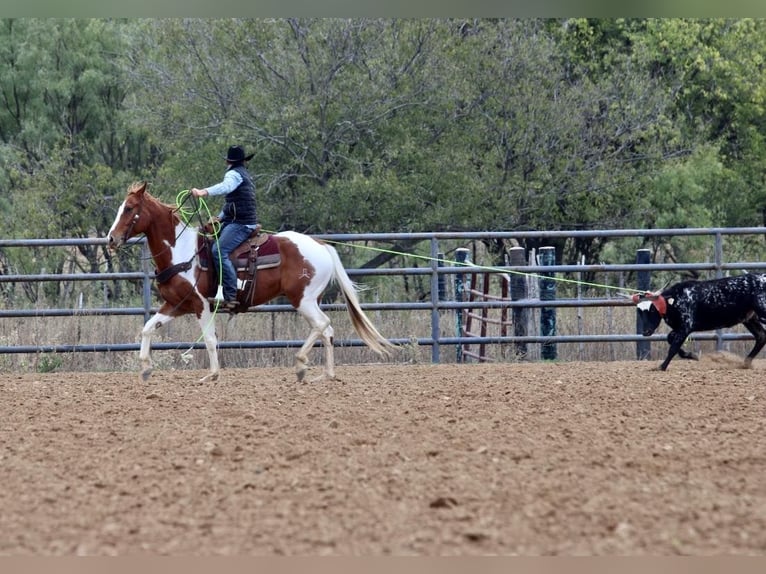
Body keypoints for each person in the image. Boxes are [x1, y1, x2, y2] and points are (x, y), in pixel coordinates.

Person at [191, 145, 258, 309]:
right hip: (238, 221)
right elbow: (233, 203)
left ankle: (230, 294)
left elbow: (224, 187)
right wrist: (219, 218)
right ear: (243, 161)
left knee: (218, 251)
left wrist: (203, 192)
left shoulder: (233, 175)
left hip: (240, 224)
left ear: (228, 161)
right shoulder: (244, 175)